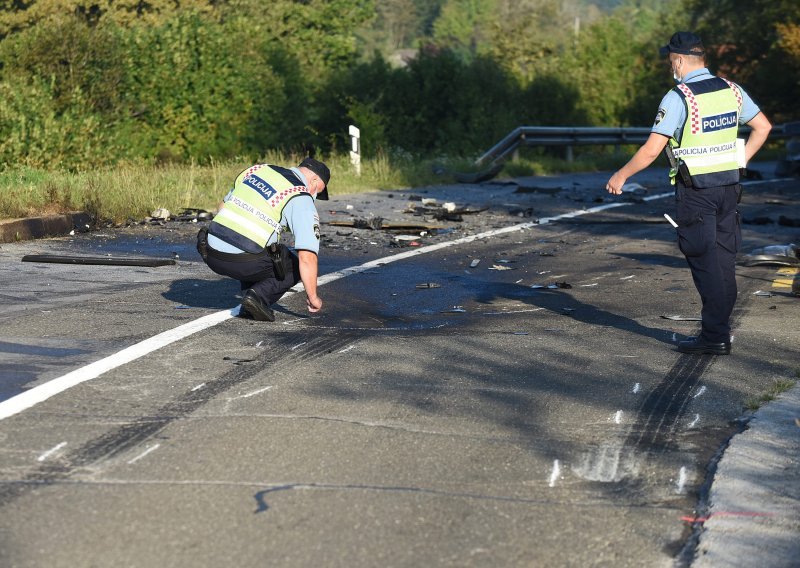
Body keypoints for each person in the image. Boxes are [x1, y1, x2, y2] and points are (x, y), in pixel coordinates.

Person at [605, 32, 772, 355]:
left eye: (671, 61)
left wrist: (620, 174)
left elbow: (652, 149)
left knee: (704, 260)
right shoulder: (733, 90)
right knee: (724, 261)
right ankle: (718, 332)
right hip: (729, 187)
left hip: (697, 192)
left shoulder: (679, 97)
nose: (671, 67)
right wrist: (741, 160)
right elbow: (763, 127)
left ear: (680, 60)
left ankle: (714, 337)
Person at [196, 157, 330, 321]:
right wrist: (313, 297)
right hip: (241, 262)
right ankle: (257, 298)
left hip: (211, 250)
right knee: (290, 262)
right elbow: (307, 257)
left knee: (257, 243)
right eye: (318, 190)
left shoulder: (258, 170)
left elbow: (223, 207)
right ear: (314, 180)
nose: (315, 195)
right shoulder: (301, 197)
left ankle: (248, 298)